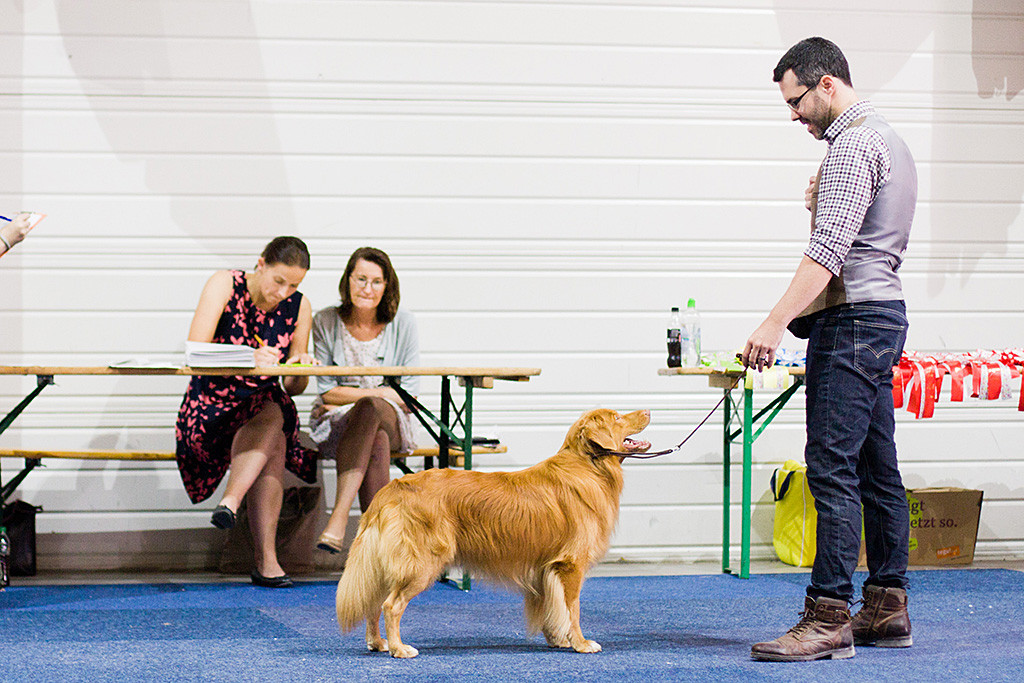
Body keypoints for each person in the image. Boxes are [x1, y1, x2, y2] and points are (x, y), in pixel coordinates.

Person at [743, 37, 916, 661]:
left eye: (796, 101)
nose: (793, 115)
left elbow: (827, 252)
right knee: (876, 468)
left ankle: (827, 617)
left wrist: (771, 324)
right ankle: (886, 606)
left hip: (852, 324)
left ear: (826, 84)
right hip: (883, 314)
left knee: (831, 468)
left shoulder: (852, 145)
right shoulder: (891, 138)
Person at [175, 236, 317, 588]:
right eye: (279, 280)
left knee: (274, 412)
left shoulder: (300, 306)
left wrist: (300, 367)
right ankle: (266, 560)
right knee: (274, 429)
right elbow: (195, 353)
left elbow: (292, 390)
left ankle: (232, 504)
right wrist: (246, 356)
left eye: (294, 285)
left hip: (262, 407)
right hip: (210, 407)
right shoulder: (225, 283)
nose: (284, 291)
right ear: (261, 264)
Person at [308, 246, 419, 555]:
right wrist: (381, 391)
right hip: (338, 425)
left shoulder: (404, 323)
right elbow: (327, 390)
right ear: (348, 281)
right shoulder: (326, 321)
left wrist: (362, 397)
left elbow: (408, 394)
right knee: (376, 437)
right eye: (360, 279)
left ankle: (339, 519)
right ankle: (377, 554)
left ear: (387, 286)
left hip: (392, 418)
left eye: (376, 282)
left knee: (370, 411)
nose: (367, 289)